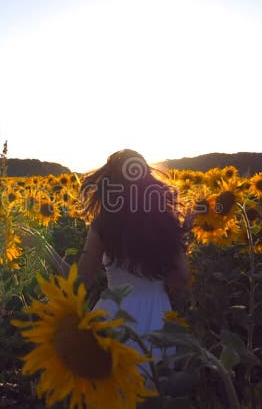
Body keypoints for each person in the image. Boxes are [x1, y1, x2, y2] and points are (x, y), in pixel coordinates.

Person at [76, 149, 192, 362]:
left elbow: (81, 280)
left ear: (109, 183)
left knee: (109, 385)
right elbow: (181, 278)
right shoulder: (166, 222)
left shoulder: (104, 224)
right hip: (157, 317)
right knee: (156, 383)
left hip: (113, 314)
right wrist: (183, 237)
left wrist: (45, 251)